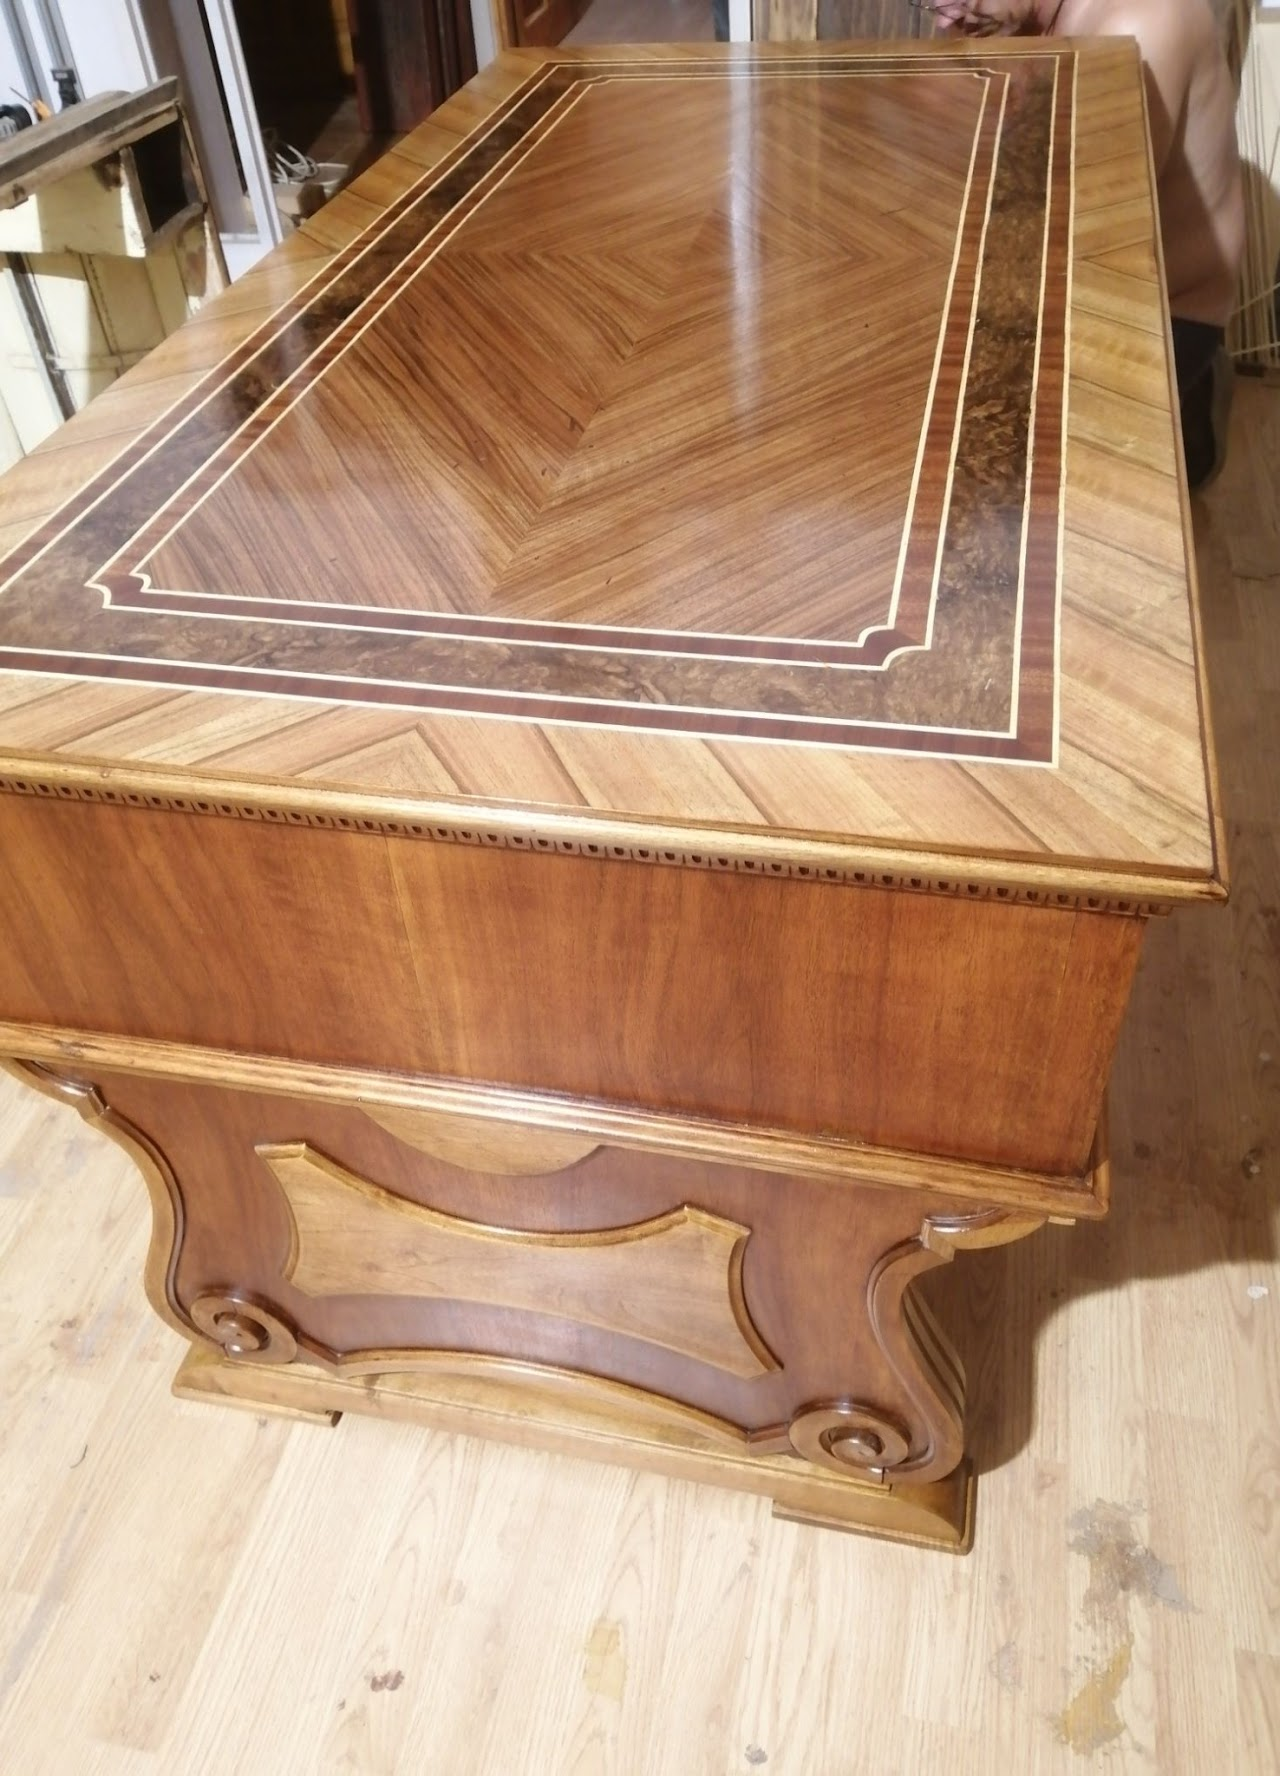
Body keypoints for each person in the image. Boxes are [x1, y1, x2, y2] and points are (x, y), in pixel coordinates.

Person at [923, 0, 1245, 489]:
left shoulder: (1137, 25)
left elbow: (1078, 236)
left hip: (1164, 315)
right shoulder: (1004, 16)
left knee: (983, 477)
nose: (944, 18)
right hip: (1075, 269)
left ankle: (1191, 410)